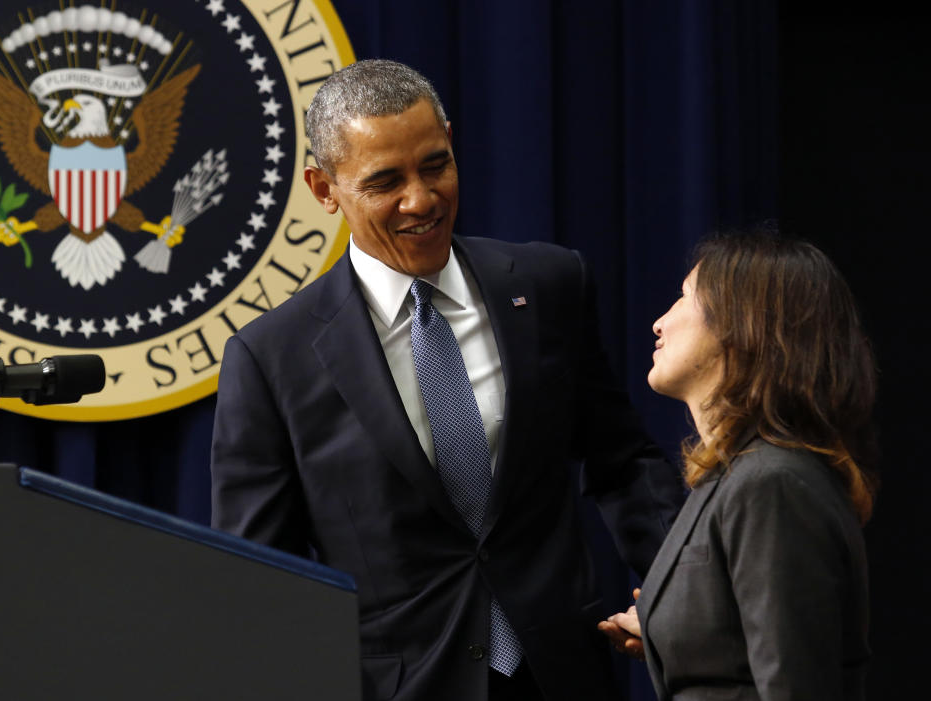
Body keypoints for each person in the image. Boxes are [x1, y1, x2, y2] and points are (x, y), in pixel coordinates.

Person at [211, 59, 685, 701]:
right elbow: (258, 581)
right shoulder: (271, 359)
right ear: (325, 190)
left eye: (435, 165)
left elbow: (623, 461)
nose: (422, 199)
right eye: (385, 181)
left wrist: (685, 597)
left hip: (563, 675)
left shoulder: (548, 286)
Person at [599, 231, 877, 700]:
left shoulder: (773, 482)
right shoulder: (733, 478)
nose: (659, 323)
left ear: (741, 325)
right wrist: (664, 626)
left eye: (684, 297)